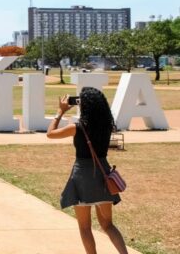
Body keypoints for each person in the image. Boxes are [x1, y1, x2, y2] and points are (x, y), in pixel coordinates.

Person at [46, 87, 127, 254]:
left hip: (82, 178)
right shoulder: (107, 126)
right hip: (103, 177)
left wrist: (60, 111)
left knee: (84, 227)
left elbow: (50, 133)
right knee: (108, 225)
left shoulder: (78, 127)